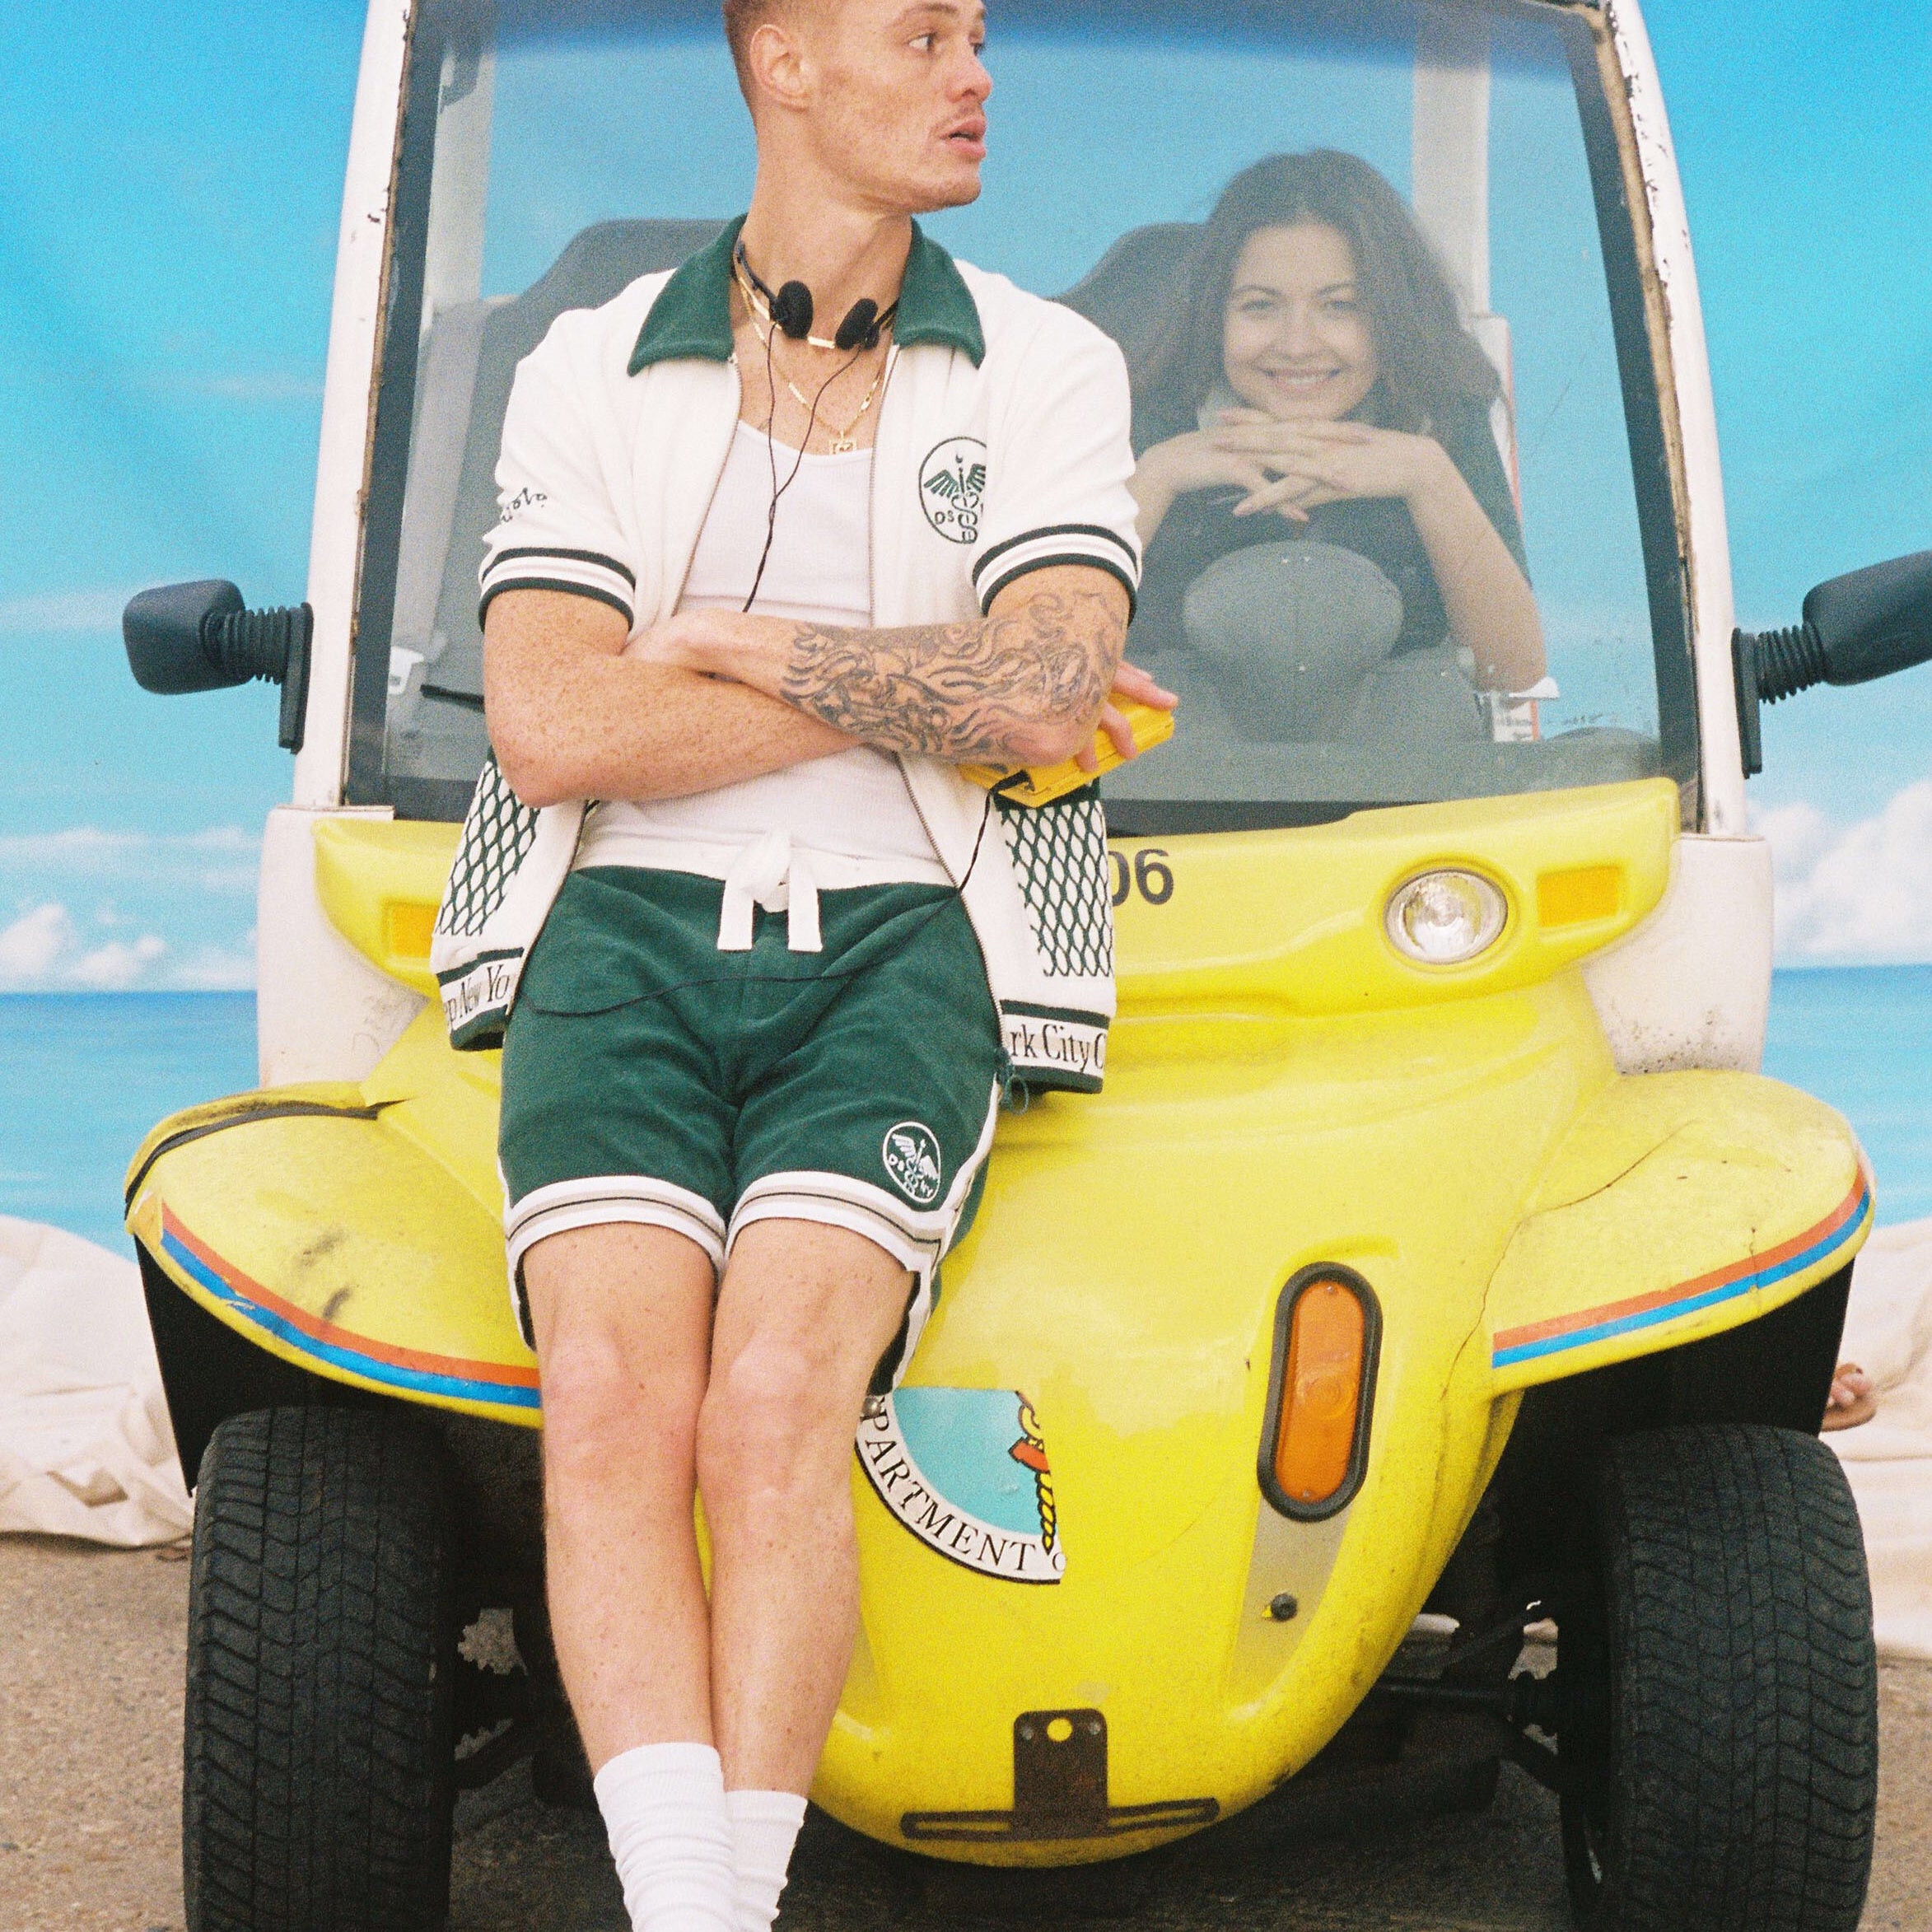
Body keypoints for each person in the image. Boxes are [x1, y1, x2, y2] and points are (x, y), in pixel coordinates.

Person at [469, 4, 1169, 1930]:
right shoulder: (591, 364)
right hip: (618, 934)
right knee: (615, 1400)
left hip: (902, 943)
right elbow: (548, 730)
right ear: (784, 62)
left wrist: (732, 647)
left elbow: (1041, 699)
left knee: (778, 1397)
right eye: (921, 31)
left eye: (977, 32)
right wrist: (918, 688)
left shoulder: (1047, 358)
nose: (977, 70)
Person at [1126, 149, 1544, 735]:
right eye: (1260, 307)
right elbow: (1039, 667)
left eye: (1340, 307)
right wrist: (1155, 479)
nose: (1298, 345)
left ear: (1392, 316)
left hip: (1405, 805)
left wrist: (1429, 479)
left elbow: (1515, 668)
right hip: (1164, 800)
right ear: (1213, 316)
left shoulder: (1435, 417)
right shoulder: (1141, 419)